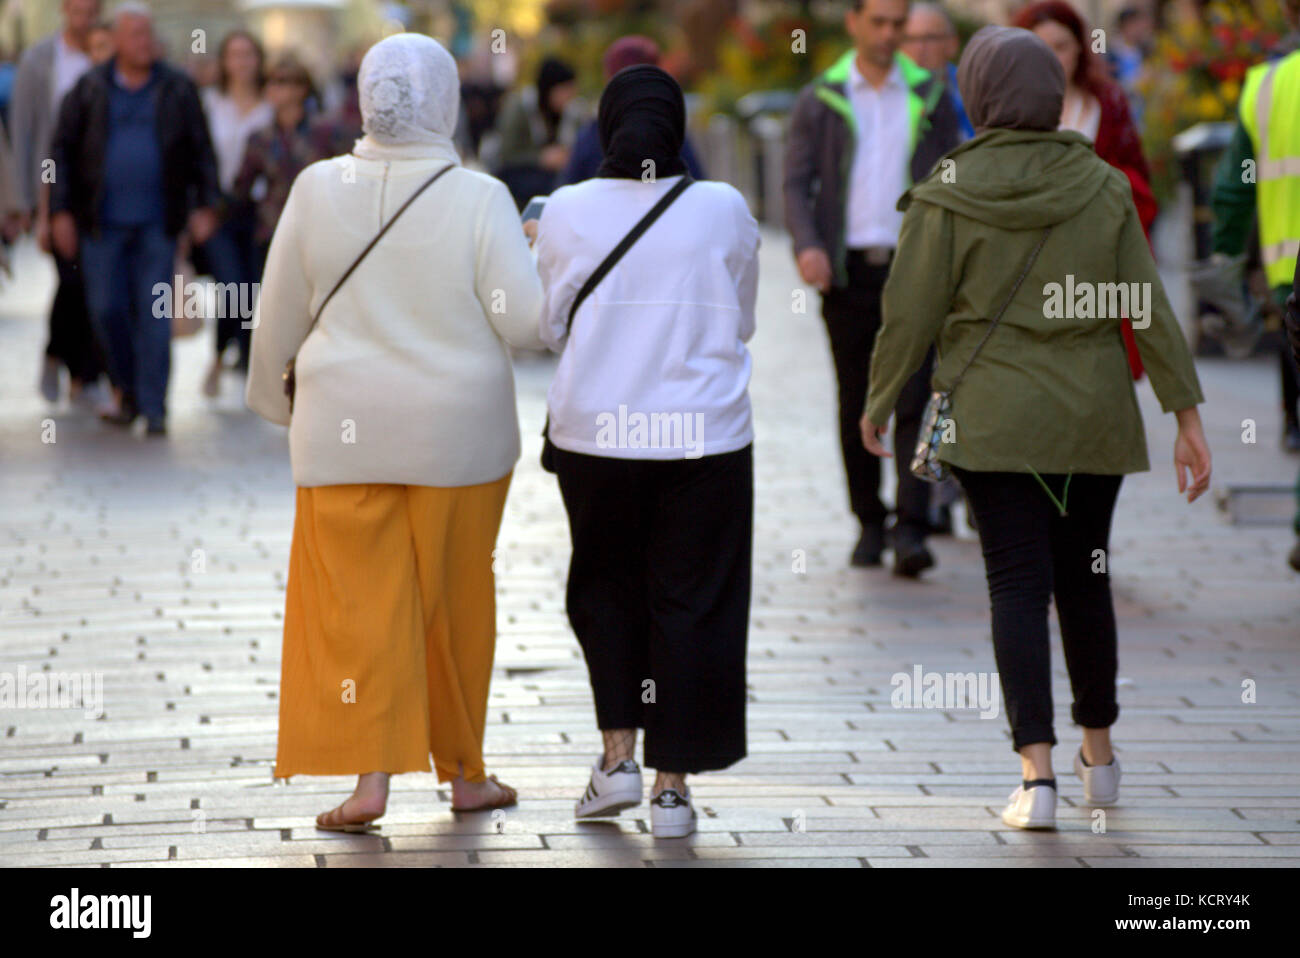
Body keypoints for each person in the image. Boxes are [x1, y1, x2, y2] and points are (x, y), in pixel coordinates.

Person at [860, 25, 1212, 830]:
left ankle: (1038, 777)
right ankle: (1101, 758)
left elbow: (908, 313)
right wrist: (1186, 417)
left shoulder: (947, 189)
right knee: (1086, 579)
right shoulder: (1102, 184)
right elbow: (1145, 308)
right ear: (1052, 96)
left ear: (977, 94)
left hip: (993, 419)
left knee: (1016, 585)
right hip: (1092, 419)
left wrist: (878, 401)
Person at [245, 33, 543, 829]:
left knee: (359, 608)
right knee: (453, 604)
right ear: (446, 99)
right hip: (459, 441)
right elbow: (524, 326)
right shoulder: (480, 197)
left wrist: (278, 408)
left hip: (342, 435)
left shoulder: (315, 187)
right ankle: (466, 775)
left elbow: (277, 315)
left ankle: (369, 781)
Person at [534, 64, 760, 839]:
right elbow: (744, 320)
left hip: (597, 436)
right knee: (694, 600)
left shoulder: (565, 209)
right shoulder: (723, 206)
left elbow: (548, 325)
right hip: (705, 437)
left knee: (607, 590)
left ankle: (616, 757)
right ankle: (672, 790)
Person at [783, 0, 961, 575]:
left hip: (914, 269)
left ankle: (912, 525)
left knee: (917, 394)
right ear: (854, 22)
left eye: (898, 25)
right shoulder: (822, 97)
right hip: (847, 270)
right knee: (855, 397)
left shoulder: (930, 96)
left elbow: (952, 177)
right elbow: (794, 181)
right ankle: (868, 521)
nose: (889, 35)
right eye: (878, 23)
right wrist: (808, 244)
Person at [48, 2, 220, 436]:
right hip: (100, 224)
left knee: (154, 314)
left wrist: (205, 204)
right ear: (119, 41)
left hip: (158, 225)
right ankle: (126, 391)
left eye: (149, 34)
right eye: (136, 35)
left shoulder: (177, 88)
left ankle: (154, 405)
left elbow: (202, 150)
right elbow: (61, 156)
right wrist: (59, 212)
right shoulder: (89, 89)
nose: (146, 42)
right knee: (106, 309)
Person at [1013, 1, 1153, 383]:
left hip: (1099, 256)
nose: (1053, 59)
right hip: (1030, 260)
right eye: (1039, 49)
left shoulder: (1106, 102)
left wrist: (1104, 190)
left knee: (1102, 369)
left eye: (1060, 46)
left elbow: (1137, 177)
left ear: (1079, 47)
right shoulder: (1008, 108)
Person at [1212, 0, 1300, 466]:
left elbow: (1235, 186)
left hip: (1286, 262)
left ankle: (1291, 425)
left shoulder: (1266, 84)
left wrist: (1225, 258)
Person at [11, 0, 107, 409]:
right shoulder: (40, 59)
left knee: (96, 286)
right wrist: (29, 201)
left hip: (102, 195)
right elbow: (25, 127)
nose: (84, 17)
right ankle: (61, 359)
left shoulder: (110, 52)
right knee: (72, 279)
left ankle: (83, 374)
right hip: (55, 185)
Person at [198, 29, 272, 397]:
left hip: (261, 211)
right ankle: (235, 357)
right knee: (231, 284)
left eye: (248, 54)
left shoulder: (272, 105)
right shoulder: (211, 103)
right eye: (234, 55)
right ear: (224, 62)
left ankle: (233, 359)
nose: (242, 62)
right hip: (220, 208)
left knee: (250, 286)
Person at [231, 52, 350, 276]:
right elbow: (241, 189)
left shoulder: (327, 133)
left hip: (320, 232)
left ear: (301, 88)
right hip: (273, 233)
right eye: (269, 81)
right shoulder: (260, 138)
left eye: (282, 81)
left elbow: (346, 179)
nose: (273, 88)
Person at [558, 36, 706, 185]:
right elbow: (694, 186)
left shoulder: (591, 135)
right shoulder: (671, 134)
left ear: (609, 77)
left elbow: (572, 186)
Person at [488, 56, 580, 208]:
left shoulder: (572, 112)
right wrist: (540, 158)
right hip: (518, 177)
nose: (568, 97)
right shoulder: (520, 107)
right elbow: (506, 154)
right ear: (550, 89)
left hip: (552, 177)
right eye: (564, 91)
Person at [900, 3, 974, 139]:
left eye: (929, 38)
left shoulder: (974, 94)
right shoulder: (886, 94)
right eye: (909, 39)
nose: (919, 49)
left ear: (952, 44)